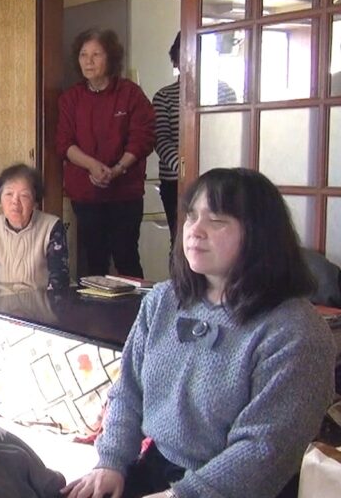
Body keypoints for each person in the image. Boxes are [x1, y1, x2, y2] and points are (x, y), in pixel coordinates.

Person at [62, 168, 336, 498]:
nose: (195, 230)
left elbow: (264, 448)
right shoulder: (164, 299)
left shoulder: (296, 330)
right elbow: (128, 391)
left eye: (216, 220)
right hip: (157, 469)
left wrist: (180, 495)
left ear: (260, 234)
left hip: (240, 488)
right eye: (192, 216)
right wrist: (111, 462)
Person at [57, 28, 155, 278]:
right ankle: (93, 305)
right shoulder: (71, 98)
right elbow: (64, 143)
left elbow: (143, 138)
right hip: (86, 194)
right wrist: (92, 165)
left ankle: (139, 304)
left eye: (96, 55)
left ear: (110, 58)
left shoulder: (130, 94)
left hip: (125, 192)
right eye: (83, 55)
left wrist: (117, 169)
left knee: (127, 257)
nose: (88, 61)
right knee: (94, 261)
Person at [152, 32, 237, 247]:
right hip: (176, 181)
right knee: (181, 241)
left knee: (221, 241)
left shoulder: (225, 92)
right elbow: (160, 139)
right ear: (176, 59)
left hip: (220, 180)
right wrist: (186, 169)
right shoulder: (164, 96)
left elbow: (232, 135)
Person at [0, 163, 69, 298]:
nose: (15, 201)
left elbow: (59, 282)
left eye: (24, 195)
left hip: (39, 305)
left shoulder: (52, 228)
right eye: (9, 194)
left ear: (35, 202)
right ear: (0, 201)